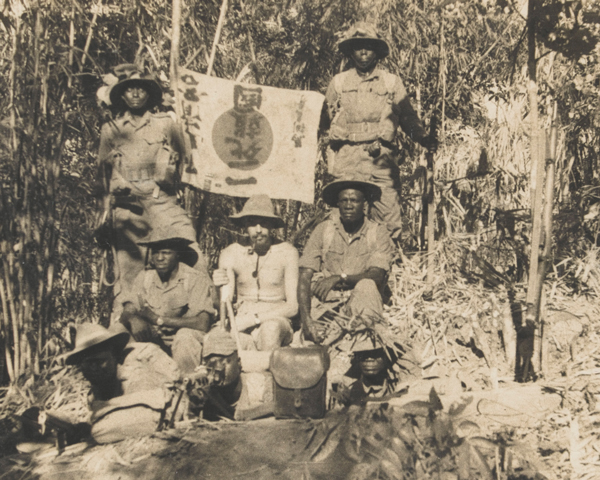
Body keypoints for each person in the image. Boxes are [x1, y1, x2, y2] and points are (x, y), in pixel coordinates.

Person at [96, 63, 207, 320]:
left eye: (141, 89)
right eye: (129, 89)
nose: (135, 94)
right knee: (131, 271)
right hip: (128, 208)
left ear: (149, 94)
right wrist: (103, 213)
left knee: (192, 251)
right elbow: (102, 177)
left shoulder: (166, 124)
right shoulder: (111, 130)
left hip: (163, 202)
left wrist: (172, 170)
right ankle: (129, 324)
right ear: (121, 95)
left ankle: (200, 314)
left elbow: (189, 162)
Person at [324, 22, 437, 240]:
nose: (364, 52)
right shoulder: (338, 83)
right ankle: (341, 267)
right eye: (358, 47)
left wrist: (423, 138)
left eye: (368, 46)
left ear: (377, 51)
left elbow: (407, 118)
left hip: (380, 158)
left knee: (387, 215)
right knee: (343, 216)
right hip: (347, 158)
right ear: (351, 52)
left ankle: (384, 268)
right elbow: (323, 118)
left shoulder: (391, 82)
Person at [298, 179, 395, 344]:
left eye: (354, 200)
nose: (348, 205)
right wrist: (307, 320)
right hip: (327, 306)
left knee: (367, 285)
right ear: (338, 203)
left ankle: (366, 341)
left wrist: (340, 278)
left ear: (364, 204)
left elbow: (377, 275)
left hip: (361, 304)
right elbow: (305, 277)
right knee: (310, 353)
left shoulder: (377, 233)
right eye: (344, 200)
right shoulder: (324, 230)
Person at [119, 227, 215, 374]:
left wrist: (159, 320)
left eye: (166, 252)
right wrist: (132, 319)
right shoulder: (145, 278)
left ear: (177, 254)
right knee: (118, 330)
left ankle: (187, 389)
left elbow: (202, 323)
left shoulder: (194, 279)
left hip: (183, 344)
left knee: (184, 337)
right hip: (153, 341)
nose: (159, 258)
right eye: (155, 252)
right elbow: (129, 308)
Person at [64, 323, 181, 443]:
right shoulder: (99, 387)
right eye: (87, 363)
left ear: (115, 356)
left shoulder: (137, 374)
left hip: (167, 414)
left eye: (99, 361)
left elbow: (148, 418)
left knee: (97, 432)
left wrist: (91, 430)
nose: (93, 368)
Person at [212, 194, 297, 351]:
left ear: (272, 225)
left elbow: (292, 306)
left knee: (270, 330)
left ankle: (270, 374)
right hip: (241, 315)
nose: (258, 230)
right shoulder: (231, 253)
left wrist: (254, 320)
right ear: (244, 224)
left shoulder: (287, 252)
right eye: (252, 223)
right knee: (216, 340)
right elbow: (225, 301)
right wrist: (217, 288)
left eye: (263, 224)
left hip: (275, 316)